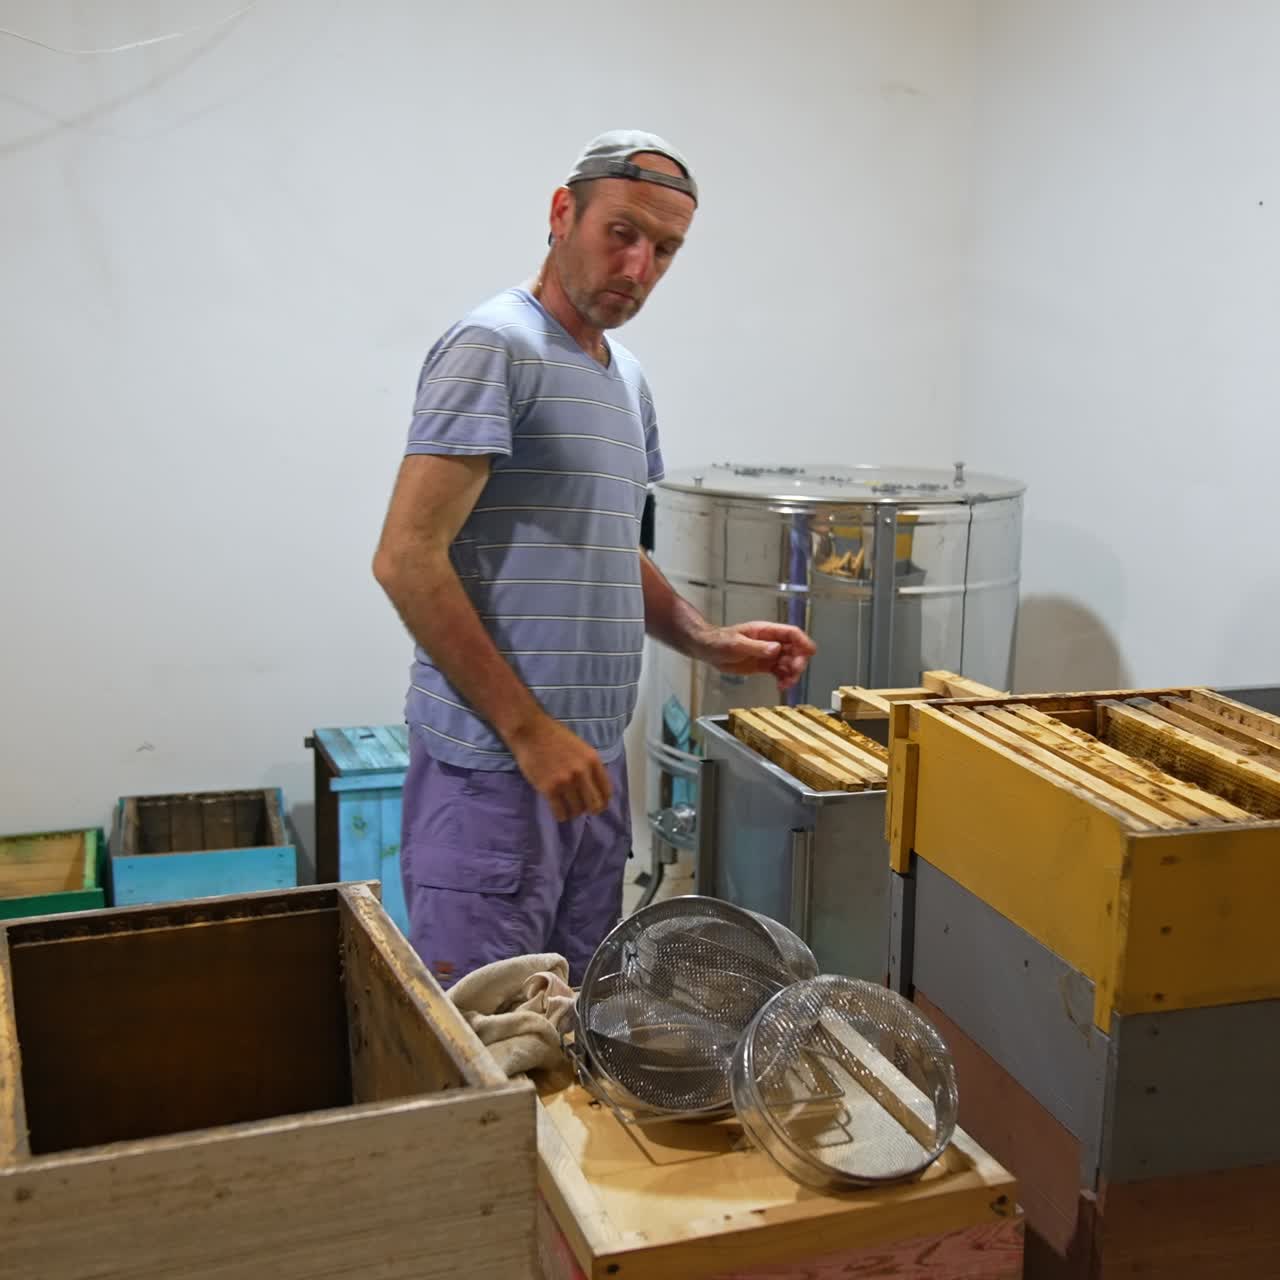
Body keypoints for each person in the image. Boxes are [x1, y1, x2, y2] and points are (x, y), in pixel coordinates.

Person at [373, 130, 815, 987]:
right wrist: (529, 732)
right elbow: (407, 557)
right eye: (623, 233)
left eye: (666, 250)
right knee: (492, 1043)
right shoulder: (494, 346)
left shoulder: (627, 379)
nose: (640, 266)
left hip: (591, 768)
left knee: (571, 1022)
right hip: (497, 775)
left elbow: (612, 546)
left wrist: (705, 638)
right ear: (562, 212)